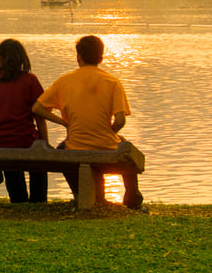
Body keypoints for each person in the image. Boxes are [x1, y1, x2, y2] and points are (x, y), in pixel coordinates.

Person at [32, 35, 144, 210]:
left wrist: (64, 123)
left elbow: (37, 108)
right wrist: (111, 132)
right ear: (101, 57)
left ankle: (79, 193)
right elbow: (120, 120)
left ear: (79, 57)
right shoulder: (113, 82)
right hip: (106, 145)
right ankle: (132, 197)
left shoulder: (64, 81)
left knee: (61, 152)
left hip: (76, 145)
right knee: (127, 149)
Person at [0, 39, 48, 203]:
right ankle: (38, 201)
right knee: (39, 164)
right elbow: (40, 117)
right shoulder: (29, 80)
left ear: (0, 57)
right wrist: (45, 143)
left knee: (10, 158)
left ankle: (18, 200)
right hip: (22, 139)